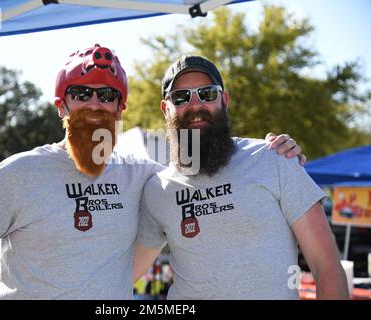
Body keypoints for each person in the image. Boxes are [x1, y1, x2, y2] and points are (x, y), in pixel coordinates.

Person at [0, 45, 302, 300]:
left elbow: (204, 172)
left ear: (120, 108)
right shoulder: (18, 173)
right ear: (62, 105)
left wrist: (274, 149)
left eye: (107, 96)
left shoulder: (144, 178)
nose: (95, 105)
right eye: (81, 93)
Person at [133, 55, 349, 300]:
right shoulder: (158, 189)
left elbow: (326, 265)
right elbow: (122, 274)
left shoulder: (274, 159)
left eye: (207, 94)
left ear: (224, 100)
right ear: (166, 108)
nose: (195, 105)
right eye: (181, 97)